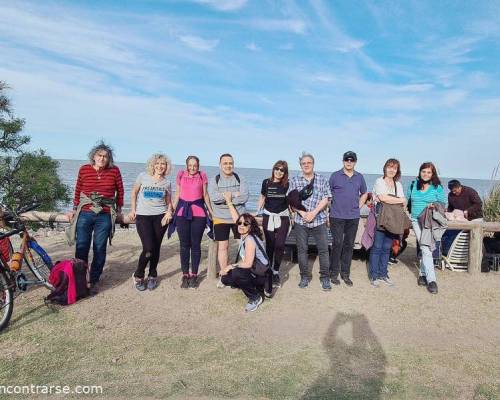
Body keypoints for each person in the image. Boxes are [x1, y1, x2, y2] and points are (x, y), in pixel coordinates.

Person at [67, 142, 124, 293]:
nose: (102, 158)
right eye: (100, 155)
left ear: (109, 158)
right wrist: (74, 209)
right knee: (82, 247)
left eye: (105, 156)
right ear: (94, 156)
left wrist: (118, 209)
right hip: (85, 212)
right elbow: (78, 189)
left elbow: (120, 190)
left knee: (99, 248)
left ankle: (93, 279)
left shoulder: (114, 171)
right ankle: (80, 278)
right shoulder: (84, 169)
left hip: (104, 214)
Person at [128, 154, 173, 291]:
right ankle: (138, 275)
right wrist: (133, 210)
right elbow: (134, 193)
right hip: (143, 216)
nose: (160, 166)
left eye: (163, 164)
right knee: (148, 248)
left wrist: (169, 212)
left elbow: (168, 201)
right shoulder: (143, 176)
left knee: (156, 247)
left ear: (166, 166)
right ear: (152, 165)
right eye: (157, 164)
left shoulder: (167, 183)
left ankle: (153, 274)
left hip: (160, 217)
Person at [288, 152, 332, 290]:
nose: (306, 165)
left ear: (313, 164)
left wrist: (313, 213)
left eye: (309, 163)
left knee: (324, 250)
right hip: (301, 221)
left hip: (319, 220)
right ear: (300, 165)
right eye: (303, 163)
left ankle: (325, 278)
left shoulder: (322, 179)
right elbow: (290, 200)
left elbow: (326, 198)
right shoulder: (294, 180)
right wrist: (303, 213)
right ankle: (304, 277)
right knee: (302, 250)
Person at [221, 193, 269, 312]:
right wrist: (229, 201)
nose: (241, 225)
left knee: (236, 273)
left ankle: (255, 297)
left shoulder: (250, 239)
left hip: (262, 273)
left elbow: (247, 264)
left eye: (245, 223)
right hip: (255, 270)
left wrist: (230, 266)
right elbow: (235, 217)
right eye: (240, 223)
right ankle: (254, 287)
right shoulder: (243, 234)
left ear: (251, 226)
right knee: (225, 279)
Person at [170, 156, 213, 289]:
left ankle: (194, 275)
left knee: (196, 245)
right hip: (182, 213)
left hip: (199, 214)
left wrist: (211, 211)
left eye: (195, 165)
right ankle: (185, 275)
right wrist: (170, 210)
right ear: (186, 165)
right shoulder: (181, 174)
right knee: (184, 245)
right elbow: (177, 193)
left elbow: (205, 195)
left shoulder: (202, 176)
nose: (192, 167)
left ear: (198, 166)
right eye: (190, 165)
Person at [208, 154, 249, 287]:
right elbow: (214, 198)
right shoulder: (214, 180)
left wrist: (227, 197)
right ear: (220, 165)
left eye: (230, 163)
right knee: (223, 247)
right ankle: (224, 275)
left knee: (243, 245)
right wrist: (233, 195)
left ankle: (245, 273)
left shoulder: (240, 178)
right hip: (220, 218)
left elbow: (244, 197)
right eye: (225, 163)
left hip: (238, 218)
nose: (228, 165)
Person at [329, 151, 368, 287]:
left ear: (355, 162)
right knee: (337, 243)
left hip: (353, 217)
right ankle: (333, 273)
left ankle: (345, 274)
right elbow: (328, 195)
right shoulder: (335, 176)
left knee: (349, 245)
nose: (349, 162)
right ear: (343, 161)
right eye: (347, 159)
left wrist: (359, 205)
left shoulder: (359, 177)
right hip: (336, 216)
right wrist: (330, 209)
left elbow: (364, 193)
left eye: (352, 160)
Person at [407, 162, 446, 294]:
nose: (426, 174)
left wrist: (434, 205)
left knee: (426, 248)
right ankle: (429, 278)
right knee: (425, 248)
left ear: (432, 174)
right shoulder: (413, 185)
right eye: (424, 171)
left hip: (429, 222)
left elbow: (442, 204)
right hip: (415, 220)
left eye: (429, 172)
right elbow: (406, 201)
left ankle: (426, 277)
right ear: (420, 172)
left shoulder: (437, 187)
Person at [368, 159, 406, 287]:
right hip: (381, 218)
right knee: (377, 247)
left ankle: (383, 274)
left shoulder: (398, 185)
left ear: (397, 171)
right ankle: (374, 275)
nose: (391, 170)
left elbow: (403, 201)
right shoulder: (379, 181)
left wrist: (389, 199)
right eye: (389, 167)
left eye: (394, 168)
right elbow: (383, 198)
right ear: (385, 168)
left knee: (386, 248)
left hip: (393, 219)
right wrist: (396, 199)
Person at [257, 160, 290, 288]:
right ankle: (268, 271)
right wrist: (257, 211)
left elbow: (291, 200)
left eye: (282, 170)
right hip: (268, 216)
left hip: (282, 218)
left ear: (285, 172)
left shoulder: (287, 184)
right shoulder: (266, 182)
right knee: (269, 245)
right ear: (273, 169)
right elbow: (262, 197)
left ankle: (276, 271)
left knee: (280, 245)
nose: (279, 171)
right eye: (277, 168)